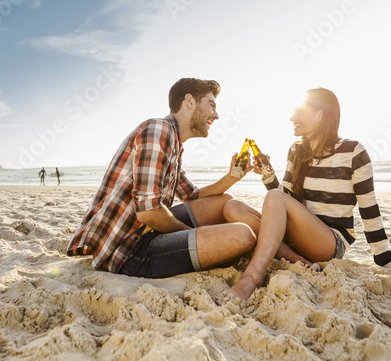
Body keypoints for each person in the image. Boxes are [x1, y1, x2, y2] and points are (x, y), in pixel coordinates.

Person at [224, 87, 391, 300]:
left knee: (271, 199)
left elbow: (369, 208)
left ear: (320, 115)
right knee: (231, 206)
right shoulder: (296, 151)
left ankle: (252, 278)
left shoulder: (354, 152)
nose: (292, 117)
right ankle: (296, 259)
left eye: (300, 112)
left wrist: (384, 258)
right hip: (296, 236)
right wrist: (267, 174)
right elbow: (285, 198)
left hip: (329, 242)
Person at [67, 78, 256, 278]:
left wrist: (232, 177)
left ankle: (275, 234)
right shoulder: (158, 130)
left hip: (146, 231)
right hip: (129, 251)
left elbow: (192, 195)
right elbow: (149, 213)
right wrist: (188, 233)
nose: (216, 115)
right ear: (189, 101)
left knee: (224, 201)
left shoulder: (173, 141)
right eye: (211, 105)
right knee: (242, 236)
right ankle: (276, 238)